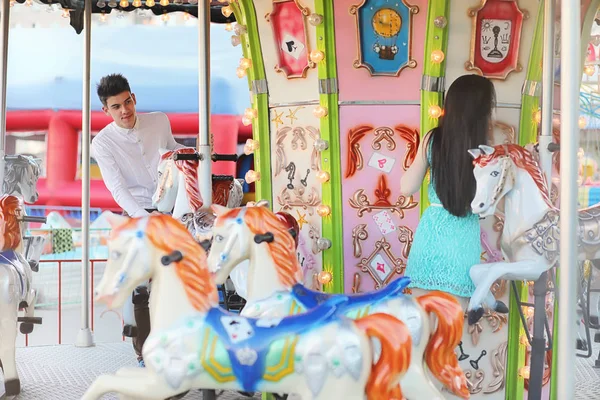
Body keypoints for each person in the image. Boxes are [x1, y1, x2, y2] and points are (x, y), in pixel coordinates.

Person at [91, 73, 185, 366]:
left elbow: (172, 150)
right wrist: (144, 217)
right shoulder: (102, 144)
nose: (125, 111)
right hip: (136, 213)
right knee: (141, 285)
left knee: (177, 279)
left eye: (127, 102)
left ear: (134, 98)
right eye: (116, 107)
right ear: (106, 111)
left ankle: (178, 343)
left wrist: (196, 153)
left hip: (169, 208)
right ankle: (145, 353)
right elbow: (117, 188)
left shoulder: (159, 120)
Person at [400, 74, 508, 324]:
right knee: (450, 332)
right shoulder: (487, 150)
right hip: (463, 241)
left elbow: (407, 187)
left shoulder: (433, 139)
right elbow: (495, 204)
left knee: (422, 325)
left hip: (431, 235)